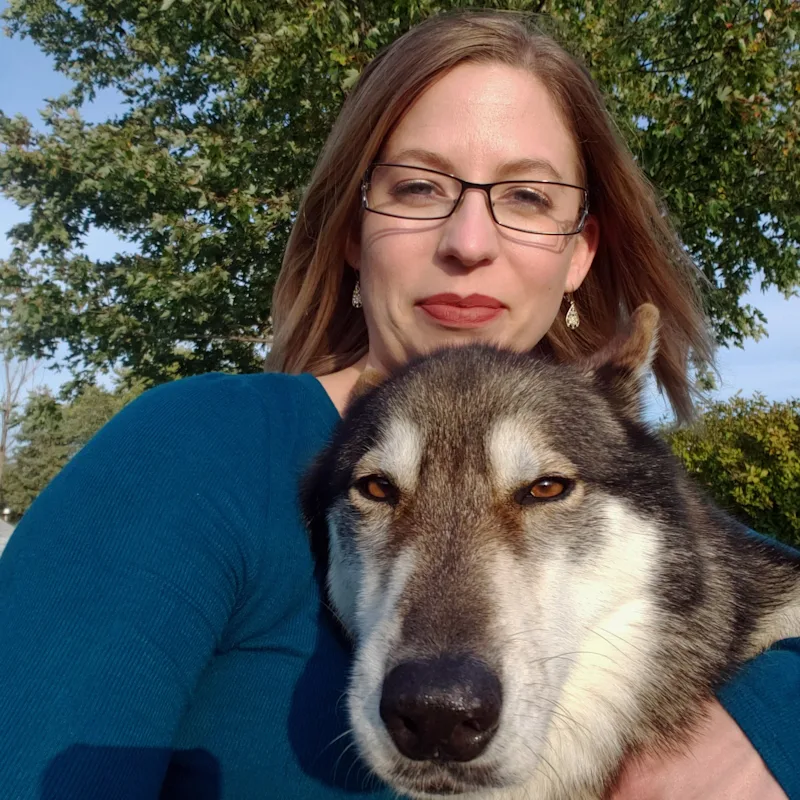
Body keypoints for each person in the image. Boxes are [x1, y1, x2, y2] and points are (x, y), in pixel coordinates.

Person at [0, 10, 797, 800]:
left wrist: (771, 727)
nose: (468, 242)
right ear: (354, 228)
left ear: (578, 250)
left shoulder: (610, 456)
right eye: (419, 186)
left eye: (525, 197)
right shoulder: (200, 449)